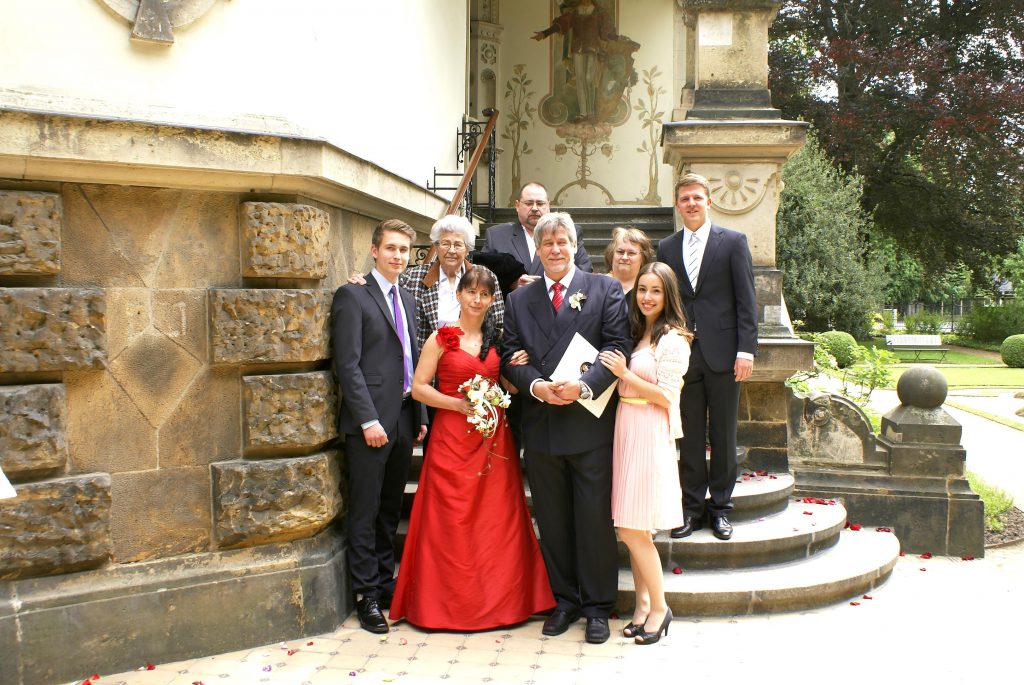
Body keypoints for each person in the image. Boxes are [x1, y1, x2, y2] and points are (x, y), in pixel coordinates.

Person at [389, 267, 554, 630]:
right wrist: (458, 405)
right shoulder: (441, 338)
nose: (477, 300)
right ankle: (443, 605)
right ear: (459, 295)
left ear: (492, 300)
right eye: (471, 292)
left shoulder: (498, 340)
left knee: (496, 520)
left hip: (493, 439)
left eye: (484, 294)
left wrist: (518, 368)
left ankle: (501, 603)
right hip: (451, 437)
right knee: (450, 518)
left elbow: (510, 388)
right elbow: (419, 388)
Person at [501, 211, 631, 644]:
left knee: (593, 519)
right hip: (541, 424)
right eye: (548, 243)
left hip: (588, 423)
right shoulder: (519, 300)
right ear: (537, 250)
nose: (556, 249)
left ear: (576, 246)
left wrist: (584, 386)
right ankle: (565, 600)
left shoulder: (604, 289)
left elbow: (617, 347)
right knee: (553, 520)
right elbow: (510, 354)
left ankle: (597, 606)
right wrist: (535, 386)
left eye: (563, 242)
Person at [332, 219, 428, 634]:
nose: (397, 256)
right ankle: (366, 594)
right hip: (370, 422)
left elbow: (412, 359)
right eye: (390, 248)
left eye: (404, 249)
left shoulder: (407, 298)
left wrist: (420, 415)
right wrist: (367, 419)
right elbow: (348, 365)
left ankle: (385, 582)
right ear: (374, 250)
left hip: (404, 417)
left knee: (390, 509)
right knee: (366, 509)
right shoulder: (352, 295)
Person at [656, 173, 757, 542]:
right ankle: (691, 509)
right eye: (685, 198)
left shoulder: (733, 242)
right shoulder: (667, 247)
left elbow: (747, 300)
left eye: (697, 197)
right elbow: (667, 301)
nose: (691, 203)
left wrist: (746, 350)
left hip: (725, 353)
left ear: (708, 202)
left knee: (724, 434)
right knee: (689, 436)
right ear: (678, 204)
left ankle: (721, 510)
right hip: (683, 355)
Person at [598, 262, 691, 645]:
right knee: (633, 526)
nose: (647, 297)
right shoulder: (638, 332)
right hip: (626, 425)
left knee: (633, 529)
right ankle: (642, 606)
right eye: (642, 289)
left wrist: (625, 374)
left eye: (655, 291)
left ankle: (660, 608)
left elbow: (667, 396)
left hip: (650, 429)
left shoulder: (674, 339)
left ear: (668, 295)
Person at [399, 215, 504, 348]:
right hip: (427, 356)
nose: (452, 251)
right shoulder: (412, 278)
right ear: (436, 247)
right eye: (445, 244)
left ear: (467, 250)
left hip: (472, 355)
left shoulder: (486, 277)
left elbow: (498, 324)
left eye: (458, 245)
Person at [482, 182, 593, 291]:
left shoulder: (568, 231)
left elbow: (585, 269)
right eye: (529, 203)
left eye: (540, 203)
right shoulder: (496, 235)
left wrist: (554, 284)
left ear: (548, 205)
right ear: (517, 205)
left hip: (557, 299)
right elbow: (481, 274)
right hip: (513, 301)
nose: (534, 208)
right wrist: (511, 283)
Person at [532, 0, 617, 122]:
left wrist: (618, 38)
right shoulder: (575, 12)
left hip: (593, 49)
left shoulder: (599, 12)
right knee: (580, 79)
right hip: (578, 48)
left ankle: (591, 113)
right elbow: (561, 24)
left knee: (589, 79)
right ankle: (583, 113)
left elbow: (607, 31)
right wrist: (544, 33)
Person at [603, 225, 654, 295]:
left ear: (643, 257)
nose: (624, 257)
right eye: (620, 252)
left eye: (631, 253)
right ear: (611, 254)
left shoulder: (650, 287)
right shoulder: (598, 285)